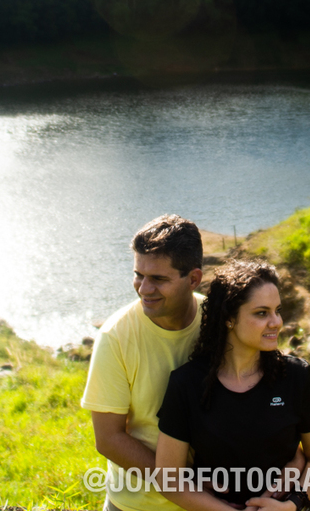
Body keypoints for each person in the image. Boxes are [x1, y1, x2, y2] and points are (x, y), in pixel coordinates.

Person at [155, 260, 310, 511]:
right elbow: (168, 480)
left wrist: (293, 504)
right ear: (229, 318)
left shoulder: (296, 376)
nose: (276, 322)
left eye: (277, 310)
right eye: (261, 313)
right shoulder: (187, 384)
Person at [81, 214, 206, 511]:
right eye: (139, 274)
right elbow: (109, 439)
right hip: (138, 505)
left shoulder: (219, 320)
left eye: (159, 279)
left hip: (217, 499)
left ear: (194, 279)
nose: (144, 289)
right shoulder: (116, 337)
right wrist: (185, 485)